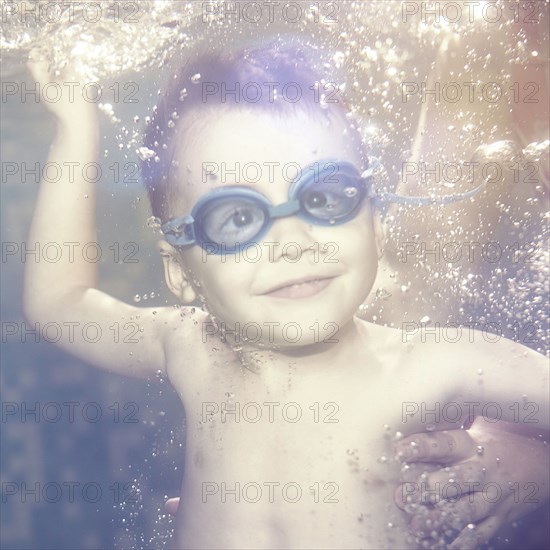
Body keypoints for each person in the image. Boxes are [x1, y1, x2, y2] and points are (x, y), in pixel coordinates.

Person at [24, 38, 548, 550]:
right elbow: (59, 304)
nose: (293, 243)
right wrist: (75, 128)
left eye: (323, 196)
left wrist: (532, 467)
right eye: (236, 217)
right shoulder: (193, 349)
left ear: (377, 225)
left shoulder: (434, 364)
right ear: (180, 270)